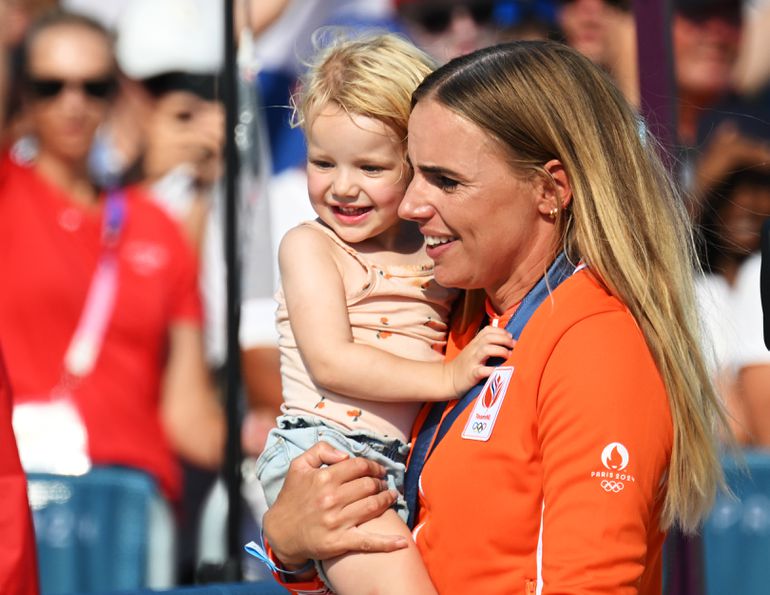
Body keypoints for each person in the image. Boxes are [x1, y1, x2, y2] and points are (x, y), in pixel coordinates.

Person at [260, 40, 727, 594]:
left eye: (445, 180)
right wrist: (290, 549)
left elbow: (592, 584)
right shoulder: (461, 318)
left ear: (550, 189)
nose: (410, 205)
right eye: (414, 174)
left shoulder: (596, 344)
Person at [252, 33, 514, 594]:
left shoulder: (435, 250)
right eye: (322, 162)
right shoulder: (311, 247)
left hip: (402, 460)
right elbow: (331, 362)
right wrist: (449, 375)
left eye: (371, 167)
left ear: (416, 164)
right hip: (326, 457)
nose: (343, 187)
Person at [0, 10, 224, 503]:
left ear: (117, 93)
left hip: (132, 498)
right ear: (21, 92)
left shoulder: (156, 225)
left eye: (94, 86)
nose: (73, 103)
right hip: (20, 492)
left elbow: (187, 413)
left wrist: (279, 447)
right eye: (49, 86)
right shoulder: (7, 194)